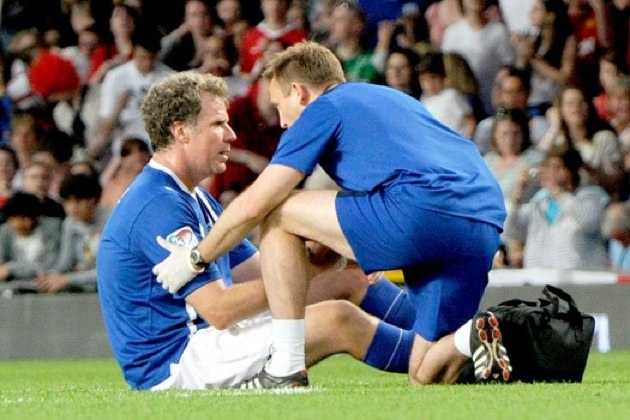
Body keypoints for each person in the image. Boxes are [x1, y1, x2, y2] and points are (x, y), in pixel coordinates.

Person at [153, 42, 509, 388]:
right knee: (425, 372)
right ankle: (471, 337)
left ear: (300, 92)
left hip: (420, 211)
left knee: (278, 210)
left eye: (280, 106)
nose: (282, 122)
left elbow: (257, 203)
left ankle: (287, 365)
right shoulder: (393, 99)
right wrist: (338, 244)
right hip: (483, 224)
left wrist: (198, 258)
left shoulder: (325, 107)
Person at [98, 71, 438, 390]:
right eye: (218, 124)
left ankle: (444, 332)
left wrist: (326, 257)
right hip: (175, 363)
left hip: (208, 340)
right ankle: (452, 357)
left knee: (349, 279)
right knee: (338, 319)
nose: (231, 135)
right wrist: (296, 276)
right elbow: (219, 309)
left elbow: (260, 272)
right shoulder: (157, 204)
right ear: (181, 132)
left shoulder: (192, 195)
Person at [504, 146, 610, 269]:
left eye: (558, 167)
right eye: (548, 166)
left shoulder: (590, 196)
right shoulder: (539, 203)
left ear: (571, 171)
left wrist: (559, 192)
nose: (551, 172)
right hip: (539, 278)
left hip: (579, 278)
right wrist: (517, 196)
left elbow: (587, 222)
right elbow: (511, 231)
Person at [35, 173, 108, 294]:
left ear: (93, 200)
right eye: (67, 202)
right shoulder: (69, 224)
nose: (72, 207)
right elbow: (65, 263)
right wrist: (50, 277)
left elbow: (110, 272)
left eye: (78, 201)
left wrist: (68, 280)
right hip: (84, 286)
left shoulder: (112, 221)